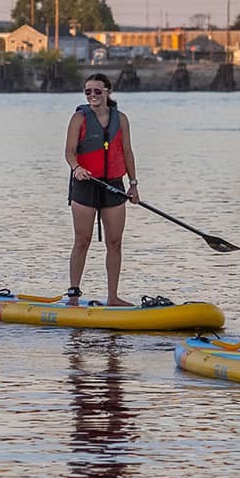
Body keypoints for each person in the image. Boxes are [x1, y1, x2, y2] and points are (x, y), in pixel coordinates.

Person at [64, 72, 140, 307]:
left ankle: (113, 297)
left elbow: (127, 152)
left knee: (115, 242)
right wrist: (76, 168)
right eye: (88, 91)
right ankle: (74, 295)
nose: (92, 95)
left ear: (108, 91)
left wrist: (133, 184)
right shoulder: (79, 118)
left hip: (113, 186)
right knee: (82, 240)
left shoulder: (121, 119)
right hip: (85, 185)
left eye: (97, 91)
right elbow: (69, 152)